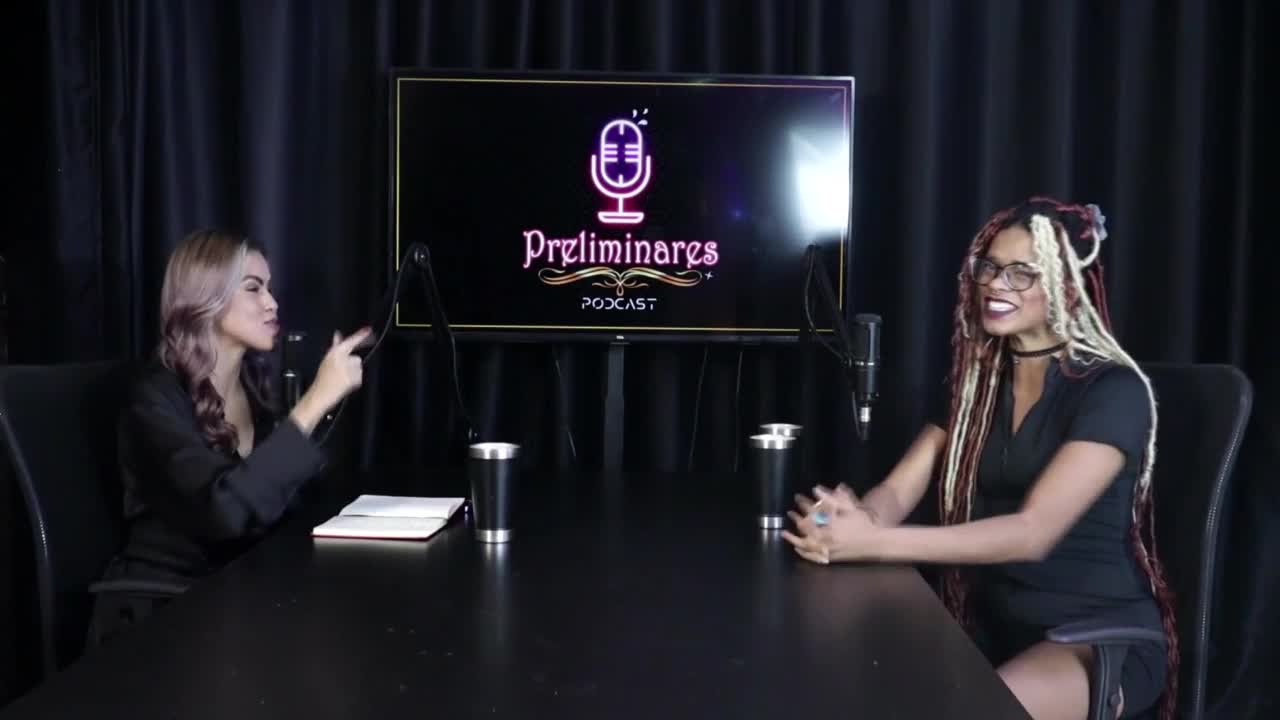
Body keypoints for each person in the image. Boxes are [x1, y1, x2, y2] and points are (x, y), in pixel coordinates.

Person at [783, 198, 1177, 720]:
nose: (995, 284)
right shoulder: (975, 388)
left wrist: (871, 542)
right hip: (995, 626)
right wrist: (853, 519)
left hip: (1096, 633)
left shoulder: (1113, 391)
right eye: (989, 268)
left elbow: (1033, 532)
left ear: (1066, 286)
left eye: (1021, 273)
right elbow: (899, 488)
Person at [88, 229, 372, 645]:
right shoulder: (153, 399)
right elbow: (223, 511)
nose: (272, 303)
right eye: (254, 288)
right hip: (165, 614)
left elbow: (283, 502)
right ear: (206, 298)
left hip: (240, 595)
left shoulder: (254, 392)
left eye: (269, 288)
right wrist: (314, 401)